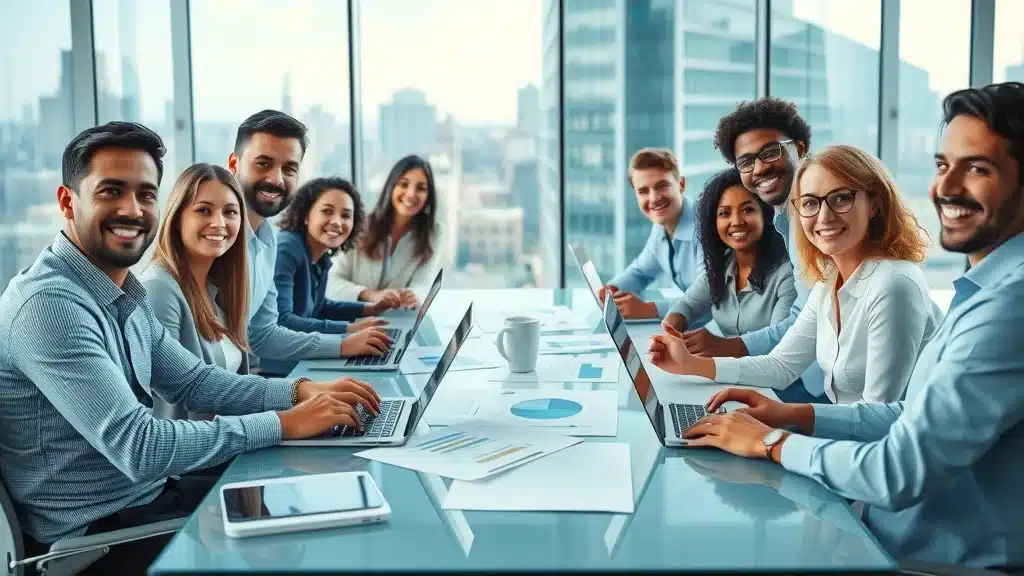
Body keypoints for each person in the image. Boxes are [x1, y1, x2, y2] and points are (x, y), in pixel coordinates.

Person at [666, 82, 1024, 570]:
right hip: (882, 524)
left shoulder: (999, 304)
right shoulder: (968, 289)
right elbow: (898, 414)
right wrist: (784, 416)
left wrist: (771, 442)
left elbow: (894, 467)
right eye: (942, 166)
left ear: (873, 202)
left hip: (921, 553)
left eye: (977, 168)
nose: (946, 186)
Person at [0, 122, 382, 575]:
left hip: (152, 500)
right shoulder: (49, 304)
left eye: (145, 194)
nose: (133, 208)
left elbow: (196, 382)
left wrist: (301, 392)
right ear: (68, 201)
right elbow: (139, 445)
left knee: (325, 503)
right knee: (306, 543)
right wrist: (284, 422)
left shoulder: (120, 291)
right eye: (110, 192)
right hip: (101, 540)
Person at [652, 145, 940, 404]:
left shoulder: (893, 283)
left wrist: (777, 422)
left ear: (875, 203)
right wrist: (690, 364)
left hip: (887, 455)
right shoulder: (828, 281)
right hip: (853, 446)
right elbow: (781, 366)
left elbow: (879, 416)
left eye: (840, 198)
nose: (824, 217)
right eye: (811, 203)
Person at [667, 97, 828, 403]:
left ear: (800, 148)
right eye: (746, 162)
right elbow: (803, 328)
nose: (760, 168)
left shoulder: (818, 221)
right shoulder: (788, 223)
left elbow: (797, 329)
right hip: (793, 379)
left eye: (770, 152)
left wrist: (719, 351)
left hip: (823, 390)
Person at [227, 110, 391, 373]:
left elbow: (265, 333)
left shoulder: (267, 242)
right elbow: (284, 322)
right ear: (234, 165)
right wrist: (346, 337)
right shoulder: (273, 246)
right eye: (263, 163)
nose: (276, 179)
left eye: (289, 168)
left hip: (255, 385)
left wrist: (366, 312)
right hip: (265, 377)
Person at [139, 163, 252, 418]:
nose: (219, 223)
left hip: (233, 446)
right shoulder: (158, 290)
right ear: (177, 219)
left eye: (230, 212)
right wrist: (293, 396)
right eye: (204, 210)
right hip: (195, 453)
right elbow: (182, 396)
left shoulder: (218, 288)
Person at [265, 177, 396, 374]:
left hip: (303, 359)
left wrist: (368, 310)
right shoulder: (288, 248)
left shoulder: (319, 257)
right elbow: (283, 321)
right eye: (327, 211)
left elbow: (319, 307)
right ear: (306, 215)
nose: (337, 222)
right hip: (280, 369)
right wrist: (349, 330)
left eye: (346, 215)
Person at [662, 168, 795, 344]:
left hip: (772, 371)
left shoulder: (787, 273)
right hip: (729, 370)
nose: (737, 222)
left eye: (747, 210)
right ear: (714, 223)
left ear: (766, 214)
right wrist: (672, 329)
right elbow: (687, 305)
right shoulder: (722, 265)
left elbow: (779, 345)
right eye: (724, 213)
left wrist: (719, 347)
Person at [596, 148, 703, 320]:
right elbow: (640, 272)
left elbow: (708, 298)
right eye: (643, 191)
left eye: (662, 186)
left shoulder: (706, 227)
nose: (654, 198)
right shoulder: (661, 226)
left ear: (681, 184)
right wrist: (613, 290)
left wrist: (648, 309)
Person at [326, 154, 443, 309]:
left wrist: (414, 295)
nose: (411, 194)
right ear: (391, 187)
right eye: (403, 184)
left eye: (421, 188)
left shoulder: (434, 232)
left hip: (397, 318)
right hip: (352, 319)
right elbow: (330, 283)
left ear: (429, 196)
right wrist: (371, 295)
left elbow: (423, 283)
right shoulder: (360, 226)